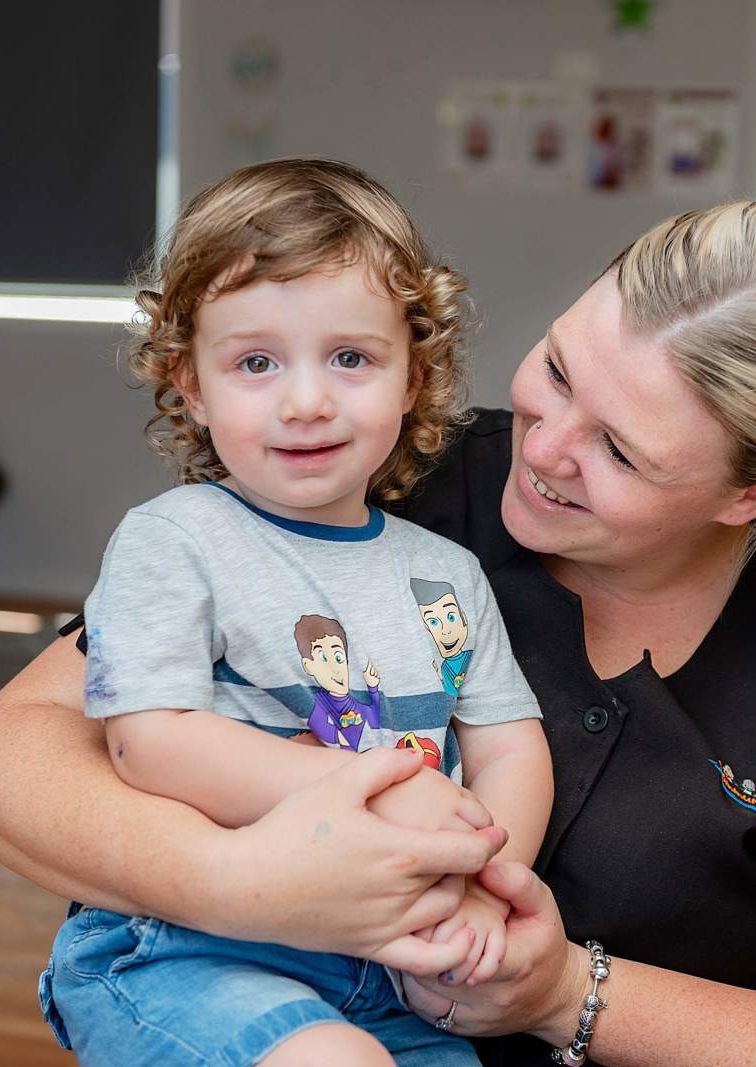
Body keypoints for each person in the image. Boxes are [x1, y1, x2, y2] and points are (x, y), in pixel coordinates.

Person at [0, 198, 756, 1066]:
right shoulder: (382, 475)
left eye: (620, 452)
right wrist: (248, 885)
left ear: (755, 491)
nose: (548, 447)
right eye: (561, 371)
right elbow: (6, 764)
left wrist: (564, 991)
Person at [43, 158, 552, 1067]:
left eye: (351, 357)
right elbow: (147, 738)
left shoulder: (447, 572)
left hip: (386, 971)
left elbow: (510, 742)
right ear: (190, 384)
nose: (307, 399)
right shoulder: (176, 539)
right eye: (255, 362)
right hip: (185, 949)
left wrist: (481, 877)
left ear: (415, 376)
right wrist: (390, 799)